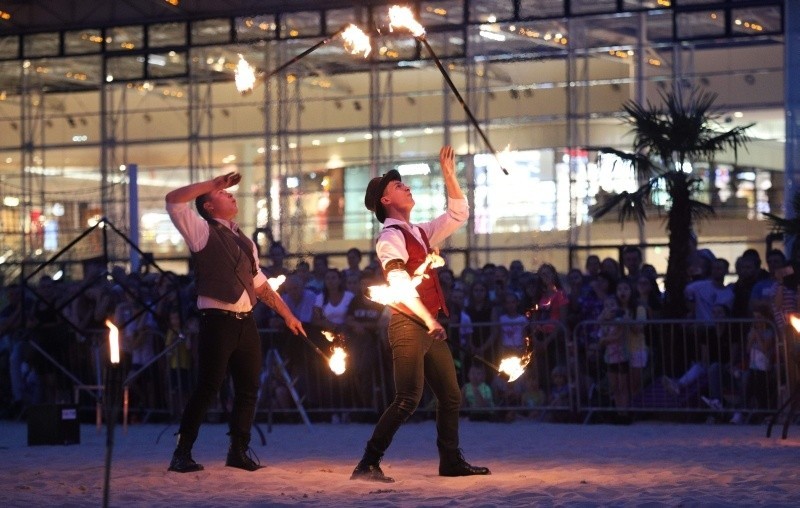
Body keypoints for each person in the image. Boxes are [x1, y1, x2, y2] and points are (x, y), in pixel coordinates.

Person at [351, 145, 490, 482]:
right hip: (409, 325)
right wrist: (429, 320)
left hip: (426, 326)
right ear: (385, 201)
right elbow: (398, 284)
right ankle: (368, 463)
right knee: (407, 399)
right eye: (397, 186)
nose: (406, 186)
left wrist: (449, 175)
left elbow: (458, 214)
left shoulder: (420, 232)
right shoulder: (389, 237)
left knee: (451, 395)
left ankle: (450, 461)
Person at [165, 171, 306, 473]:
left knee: (248, 389)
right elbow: (173, 201)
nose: (229, 194)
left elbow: (261, 284)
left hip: (246, 322)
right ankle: (182, 452)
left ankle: (238, 451)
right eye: (221, 194)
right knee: (208, 387)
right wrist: (211, 184)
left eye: (226, 191)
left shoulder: (245, 241)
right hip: (217, 321)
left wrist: (288, 315)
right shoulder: (201, 232)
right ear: (208, 207)